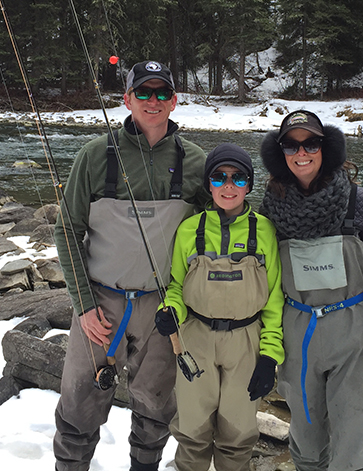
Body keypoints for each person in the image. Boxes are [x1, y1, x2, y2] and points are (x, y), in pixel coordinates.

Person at [53, 60, 209, 471]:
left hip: (163, 309)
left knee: (156, 410)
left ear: (175, 101)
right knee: (77, 410)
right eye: (143, 92)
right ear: (127, 99)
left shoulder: (197, 162)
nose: (152, 101)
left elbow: (221, 230)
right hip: (99, 306)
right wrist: (84, 306)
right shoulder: (93, 156)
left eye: (161, 93)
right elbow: (66, 230)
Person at [259, 110, 363, 471]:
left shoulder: (357, 199)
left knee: (356, 430)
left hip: (353, 334)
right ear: (280, 151)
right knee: (306, 431)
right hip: (297, 333)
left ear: (325, 147)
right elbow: (265, 273)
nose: (302, 152)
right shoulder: (271, 206)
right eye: (292, 144)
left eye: (311, 143)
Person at [154, 143, 285, 471]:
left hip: (246, 342)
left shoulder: (266, 230)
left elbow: (274, 301)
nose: (229, 186)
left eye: (238, 178)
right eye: (219, 177)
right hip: (194, 338)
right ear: (208, 184)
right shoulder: (189, 229)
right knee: (192, 431)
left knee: (238, 434)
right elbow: (176, 288)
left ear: (249, 185)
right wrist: (170, 311)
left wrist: (270, 357)